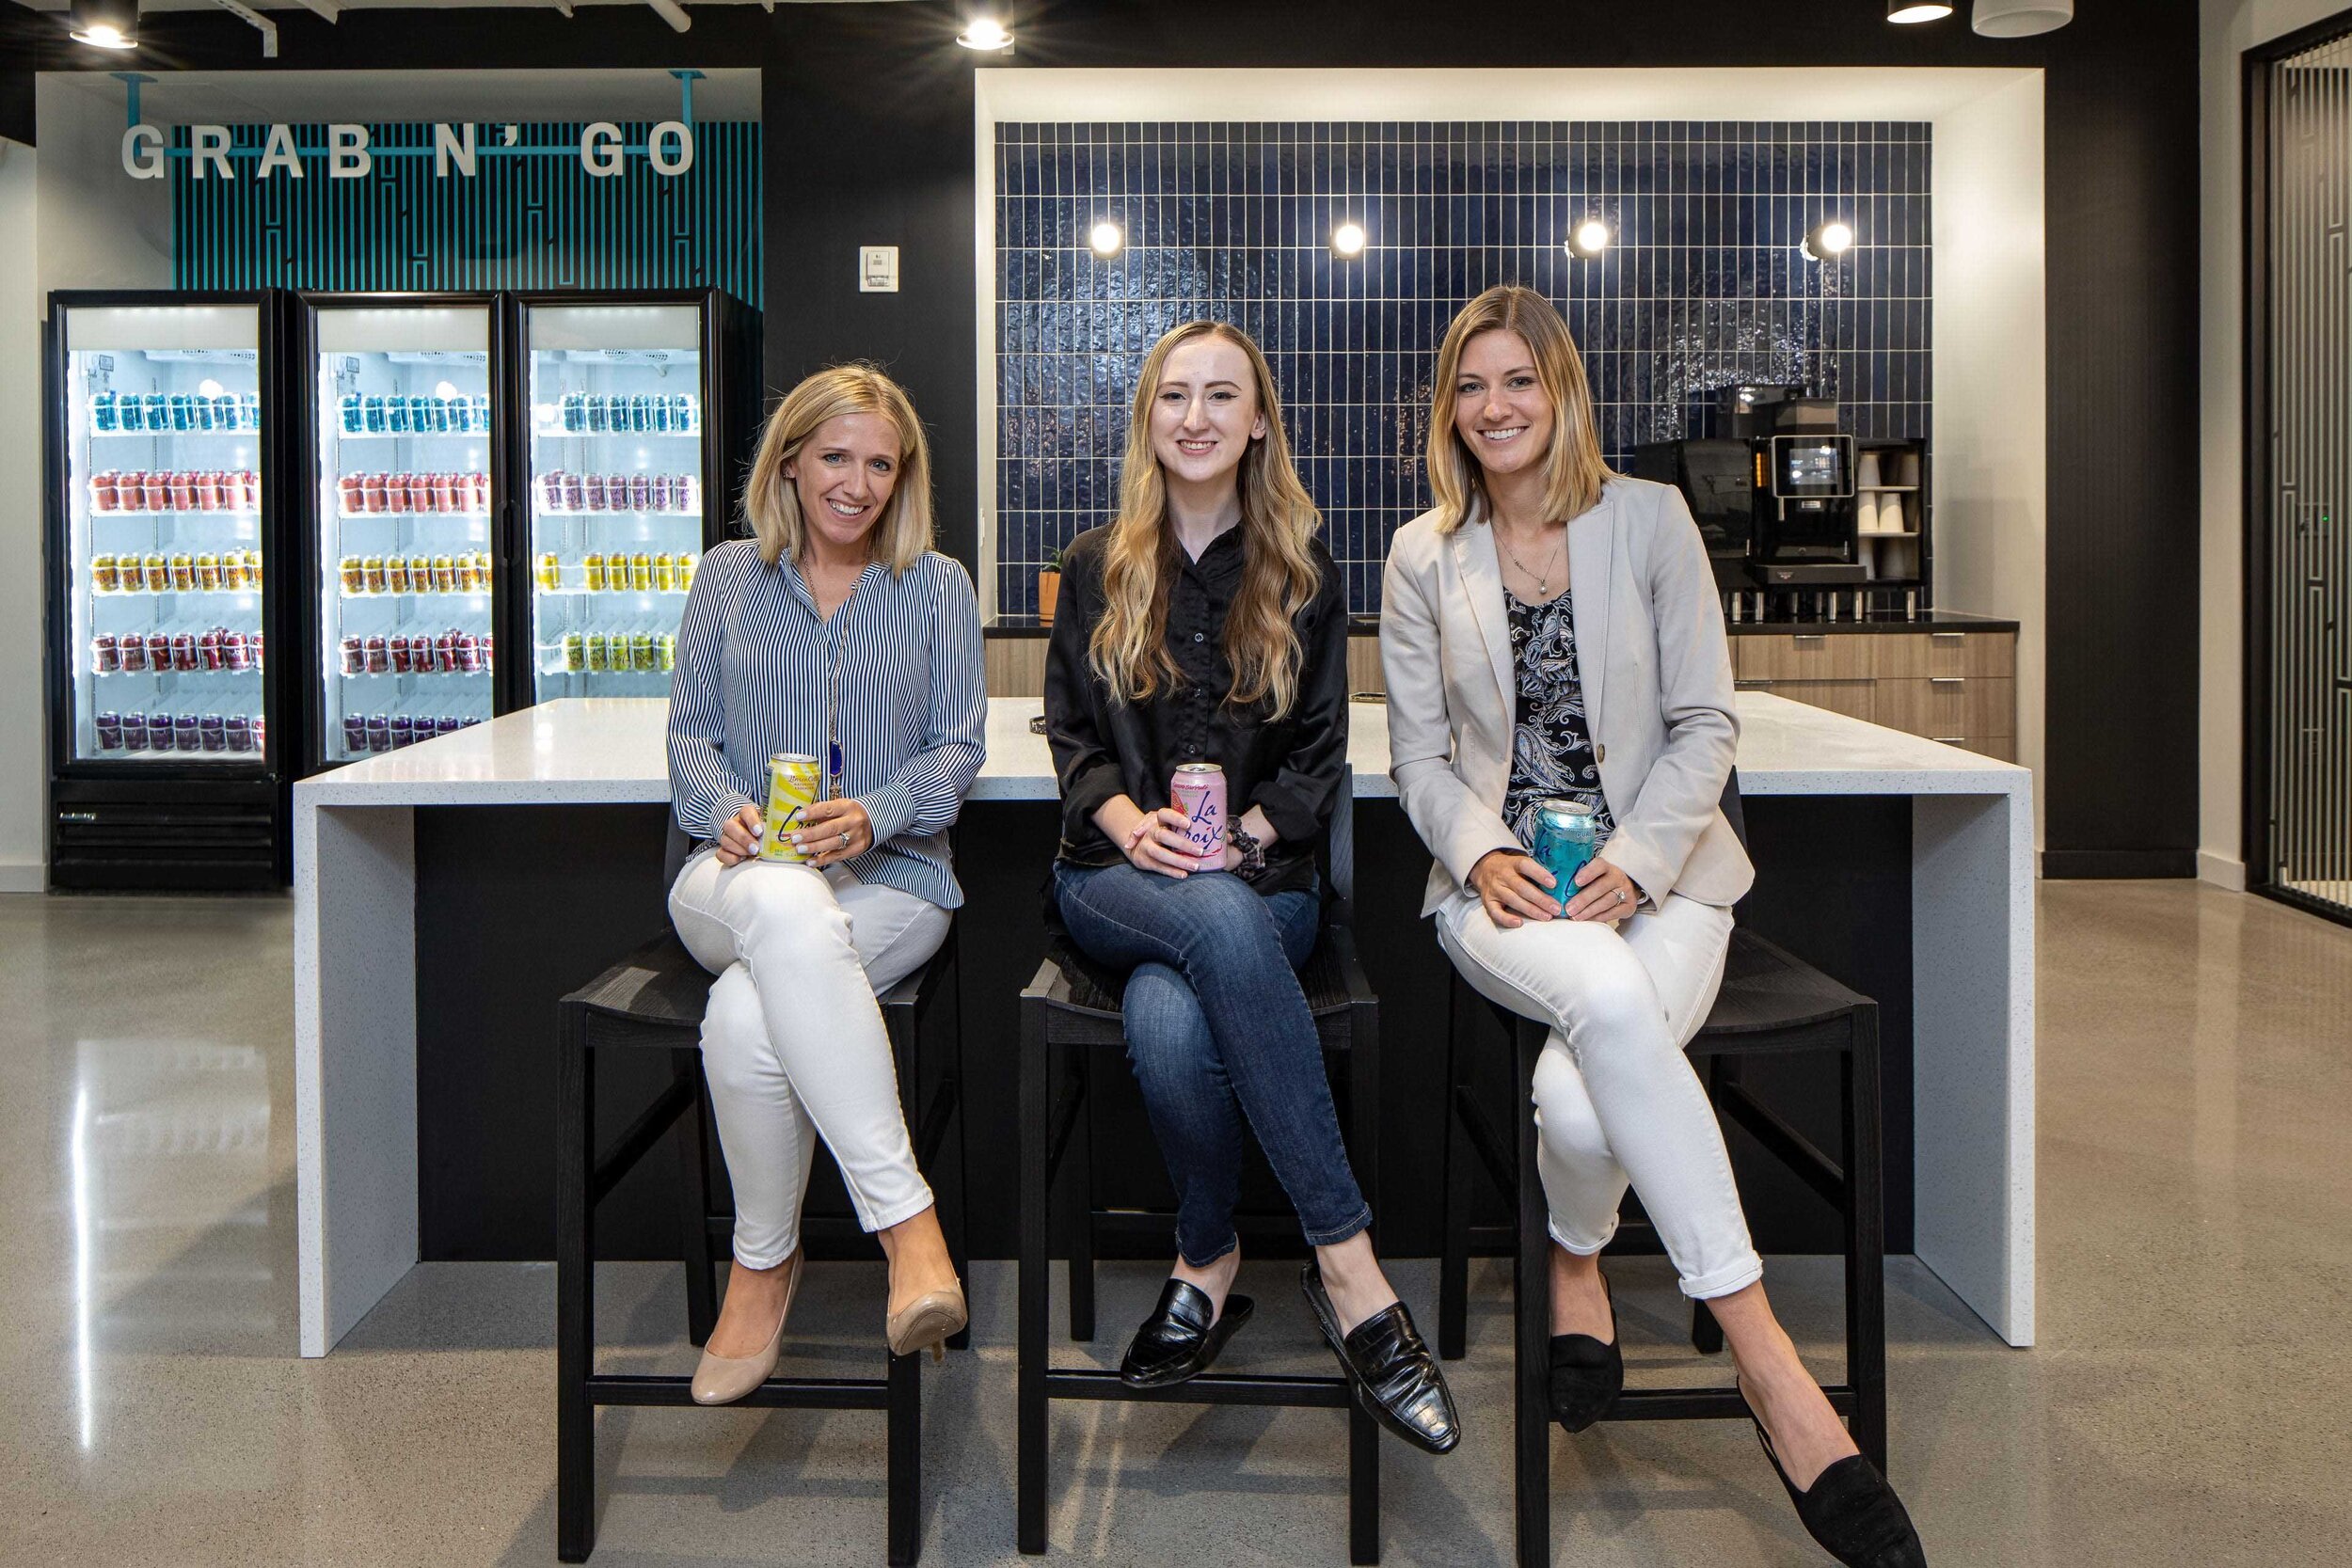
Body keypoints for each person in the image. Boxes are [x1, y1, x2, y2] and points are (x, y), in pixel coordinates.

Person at [1380, 285, 1925, 1564]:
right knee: (1609, 1016)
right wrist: (1487, 849)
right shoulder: (1423, 555)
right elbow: (1418, 761)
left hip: (1667, 883)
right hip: (1503, 895)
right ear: (1449, 410)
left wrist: (1634, 860)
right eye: (1472, 385)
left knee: (1577, 1106)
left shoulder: (1652, 521)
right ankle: (1777, 1367)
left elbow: (1706, 727)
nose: (1495, 406)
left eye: (1519, 380)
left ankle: (1579, 1256)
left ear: (1562, 391)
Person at [1043, 320, 1458, 1455]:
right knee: (1207, 924)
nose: (1195, 416)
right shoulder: (1093, 567)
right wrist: (1133, 827)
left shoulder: (1306, 574)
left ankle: (1206, 1255)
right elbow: (1073, 742)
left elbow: (1323, 754)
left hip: (1262, 879)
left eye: (1222, 395)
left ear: (1258, 419)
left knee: (1171, 1019)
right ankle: (1352, 1270)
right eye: (1174, 394)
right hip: (1111, 880)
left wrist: (1250, 834)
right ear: (1149, 417)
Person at [666, 363, 983, 1403]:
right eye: (836, 457)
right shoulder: (726, 576)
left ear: (903, 478)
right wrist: (726, 809)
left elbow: (955, 749)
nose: (856, 483)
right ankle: (910, 1231)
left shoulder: (936, 585)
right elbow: (689, 741)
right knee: (786, 901)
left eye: (880, 465)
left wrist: (877, 811)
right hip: (731, 874)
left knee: (743, 1012)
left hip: (892, 879)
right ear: (791, 460)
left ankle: (763, 1266)